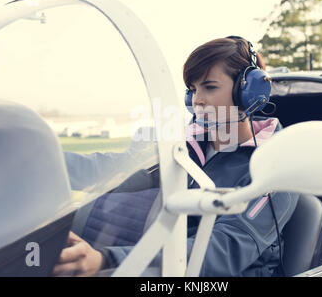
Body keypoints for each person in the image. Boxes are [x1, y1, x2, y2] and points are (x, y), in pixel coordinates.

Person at [53, 36, 299, 277]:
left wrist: (107, 260)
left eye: (210, 87)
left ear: (248, 92)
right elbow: (117, 171)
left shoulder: (275, 168)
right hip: (171, 267)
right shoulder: (186, 148)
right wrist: (44, 167)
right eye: (192, 90)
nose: (197, 100)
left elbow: (223, 247)